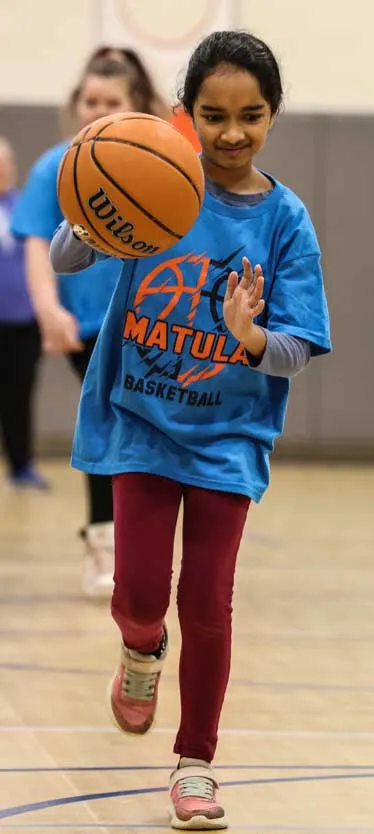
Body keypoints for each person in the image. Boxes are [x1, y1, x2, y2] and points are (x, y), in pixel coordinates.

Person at [50, 30, 331, 830]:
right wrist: (96, 195)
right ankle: (141, 649)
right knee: (141, 595)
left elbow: (296, 349)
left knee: (205, 596)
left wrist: (250, 339)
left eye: (250, 115)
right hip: (140, 420)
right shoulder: (158, 180)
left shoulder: (284, 220)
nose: (232, 132)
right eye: (213, 115)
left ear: (273, 115)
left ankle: (197, 763)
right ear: (188, 114)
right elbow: (72, 257)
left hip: (228, 435)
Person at [11, 55, 163, 598]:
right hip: (87, 323)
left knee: (140, 425)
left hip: (146, 317)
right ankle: (104, 539)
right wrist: (48, 308)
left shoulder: (159, 165)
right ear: (76, 106)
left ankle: (140, 538)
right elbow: (33, 239)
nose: (98, 111)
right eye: (90, 102)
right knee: (110, 419)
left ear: (136, 108)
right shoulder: (55, 167)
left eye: (111, 102)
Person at [0, 138, 49, 490]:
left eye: (7, 160)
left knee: (19, 394)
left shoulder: (26, 206)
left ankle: (22, 466)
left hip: (23, 322)